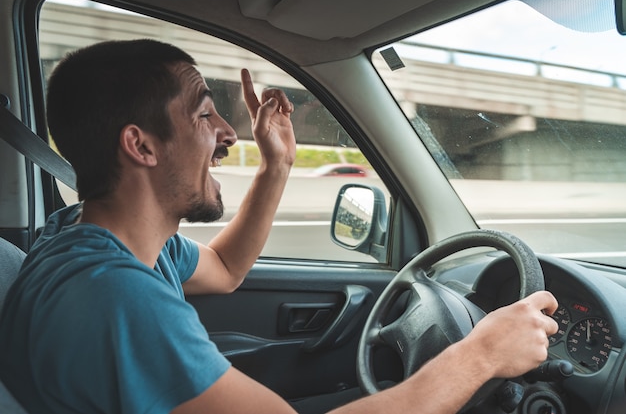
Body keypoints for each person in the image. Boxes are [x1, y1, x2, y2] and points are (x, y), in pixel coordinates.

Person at [0, 39, 559, 414]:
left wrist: (278, 164)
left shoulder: (84, 235)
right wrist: (482, 353)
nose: (227, 133)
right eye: (202, 114)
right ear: (140, 145)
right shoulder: (118, 300)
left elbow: (222, 269)